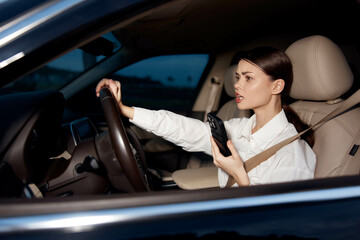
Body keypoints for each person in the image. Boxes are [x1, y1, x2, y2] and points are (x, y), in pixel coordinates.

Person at [96, 47, 316, 187]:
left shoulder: (293, 153)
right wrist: (125, 110)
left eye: (248, 78)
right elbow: (185, 129)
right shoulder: (240, 127)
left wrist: (239, 175)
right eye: (238, 77)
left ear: (276, 86)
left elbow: (278, 223)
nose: (237, 84)